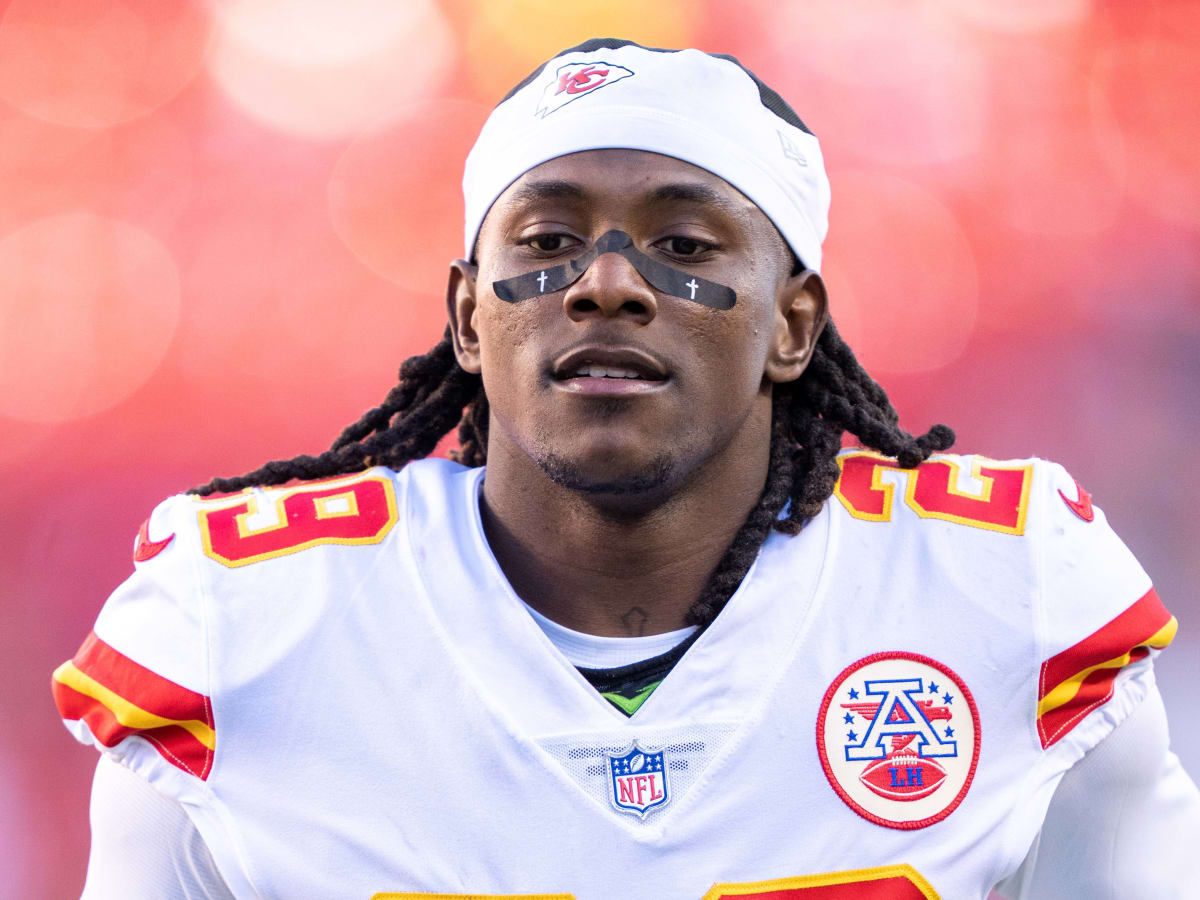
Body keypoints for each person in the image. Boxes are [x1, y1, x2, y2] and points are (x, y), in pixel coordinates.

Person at [53, 39, 1199, 899]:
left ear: (793, 326)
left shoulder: (1003, 592)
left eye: (687, 245)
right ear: (465, 318)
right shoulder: (242, 625)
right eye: (546, 242)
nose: (606, 283)